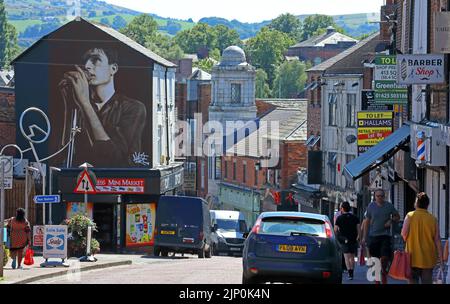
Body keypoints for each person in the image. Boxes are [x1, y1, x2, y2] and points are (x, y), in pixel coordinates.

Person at [59, 47, 147, 167]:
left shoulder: (133, 108)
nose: (87, 66)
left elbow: (114, 159)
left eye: (95, 60)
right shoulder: (78, 105)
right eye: (85, 61)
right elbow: (64, 154)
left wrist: (85, 103)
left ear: (113, 69)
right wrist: (69, 103)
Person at [401, 192, 443, 284]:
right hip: (428, 258)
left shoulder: (409, 216)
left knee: (412, 281)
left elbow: (404, 234)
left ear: (416, 203)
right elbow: (437, 240)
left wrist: (409, 240)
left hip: (412, 257)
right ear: (427, 204)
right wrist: (441, 259)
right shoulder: (433, 219)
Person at [361, 189, 400, 284]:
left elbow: (397, 216)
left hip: (385, 236)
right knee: (375, 260)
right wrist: (364, 237)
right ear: (375, 197)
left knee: (384, 257)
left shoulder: (389, 206)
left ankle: (384, 270)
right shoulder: (371, 206)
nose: (379, 198)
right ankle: (378, 280)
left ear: (384, 196)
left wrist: (391, 220)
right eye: (377, 196)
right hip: (373, 236)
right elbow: (366, 221)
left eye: (381, 196)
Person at [334, 201, 360, 280]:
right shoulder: (355, 217)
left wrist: (337, 237)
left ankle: (349, 272)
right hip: (353, 239)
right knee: (352, 256)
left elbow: (335, 230)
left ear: (342, 209)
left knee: (346, 257)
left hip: (343, 239)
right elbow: (359, 229)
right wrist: (359, 237)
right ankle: (352, 272)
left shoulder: (339, 218)